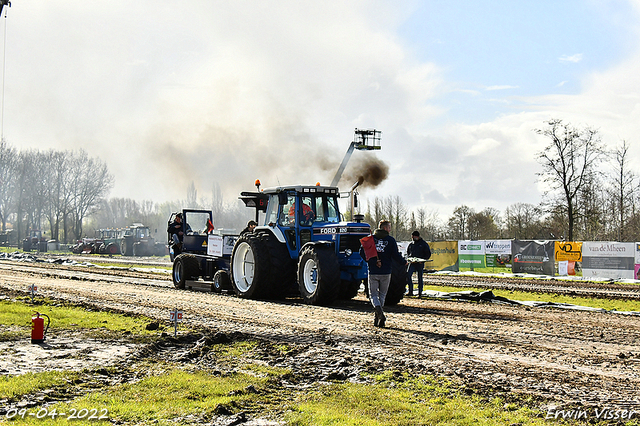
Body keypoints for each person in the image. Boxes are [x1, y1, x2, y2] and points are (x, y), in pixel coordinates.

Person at [361, 220, 407, 328]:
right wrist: (403, 262)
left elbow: (362, 252)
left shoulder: (370, 239)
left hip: (373, 271)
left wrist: (372, 262)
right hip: (386, 272)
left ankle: (378, 313)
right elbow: (395, 255)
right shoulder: (390, 240)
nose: (390, 229)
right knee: (382, 295)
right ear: (385, 228)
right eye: (389, 227)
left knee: (373, 295)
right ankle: (379, 316)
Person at [406, 231, 431, 297]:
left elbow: (428, 254)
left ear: (417, 236)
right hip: (412, 263)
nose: (413, 238)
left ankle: (420, 292)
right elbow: (408, 252)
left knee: (419, 277)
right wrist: (409, 258)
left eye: (414, 237)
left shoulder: (423, 244)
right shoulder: (411, 244)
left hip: (419, 263)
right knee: (408, 275)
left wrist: (422, 260)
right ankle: (410, 291)